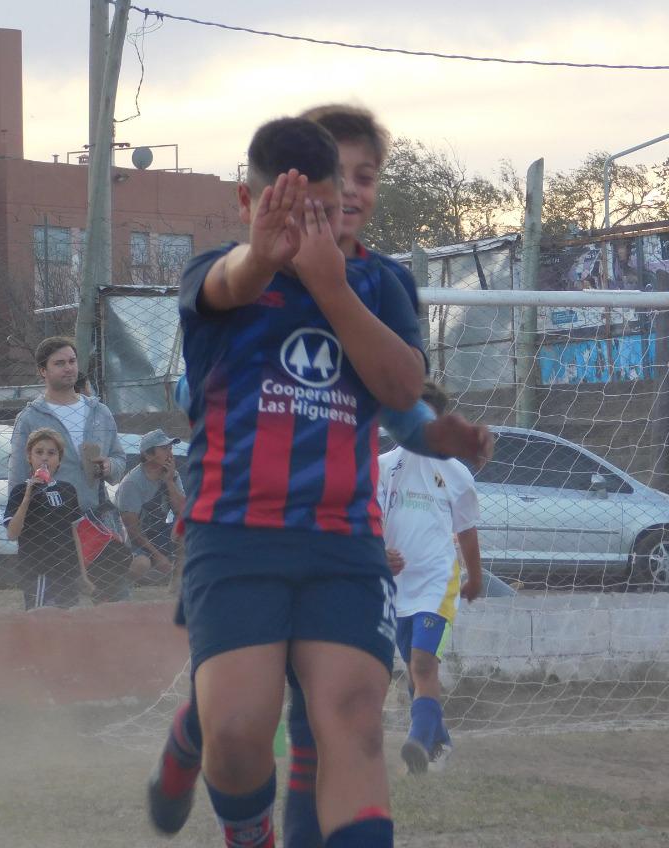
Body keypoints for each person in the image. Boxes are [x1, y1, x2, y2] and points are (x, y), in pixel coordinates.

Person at [149, 105, 493, 848]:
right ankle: (217, 773)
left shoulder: (379, 284)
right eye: (298, 196)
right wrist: (267, 256)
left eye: (357, 180)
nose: (339, 201)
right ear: (255, 200)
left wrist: (439, 432)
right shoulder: (214, 271)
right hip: (236, 536)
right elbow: (230, 287)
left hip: (342, 542)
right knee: (239, 727)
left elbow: (401, 396)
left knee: (351, 724)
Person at [379, 380, 484, 774]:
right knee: (413, 671)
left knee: (423, 666)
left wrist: (475, 577)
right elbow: (365, 521)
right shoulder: (383, 467)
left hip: (437, 583)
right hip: (395, 589)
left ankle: (418, 747)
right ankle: (440, 742)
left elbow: (468, 530)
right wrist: (376, 553)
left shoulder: (457, 473)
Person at [9, 337, 128, 599]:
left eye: (72, 361)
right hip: (54, 529)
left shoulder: (100, 412)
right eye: (59, 363)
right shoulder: (30, 418)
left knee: (114, 601)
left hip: (97, 520)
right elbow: (18, 476)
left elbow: (120, 460)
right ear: (43, 370)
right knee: (57, 609)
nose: (68, 368)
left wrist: (109, 466)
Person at [5, 428, 89, 609]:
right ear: (29, 457)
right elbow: (12, 533)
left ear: (59, 460)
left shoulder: (68, 490)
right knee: (42, 621)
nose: (44, 458)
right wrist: (28, 495)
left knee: (68, 621)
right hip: (37, 571)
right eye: (39, 452)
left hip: (67, 570)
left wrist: (83, 573)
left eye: (51, 453)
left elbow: (75, 534)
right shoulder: (20, 491)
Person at [115, 429, 185, 584]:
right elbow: (132, 530)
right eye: (164, 448)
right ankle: (124, 584)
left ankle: (176, 582)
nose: (170, 453)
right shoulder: (132, 483)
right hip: (134, 541)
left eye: (170, 448)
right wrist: (157, 556)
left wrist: (169, 481)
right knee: (142, 564)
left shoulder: (172, 475)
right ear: (148, 455)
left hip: (158, 532)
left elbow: (183, 512)